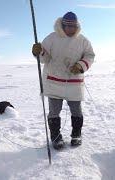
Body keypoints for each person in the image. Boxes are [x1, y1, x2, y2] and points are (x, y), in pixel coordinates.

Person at [31, 12, 95, 149]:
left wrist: (80, 65)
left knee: (76, 111)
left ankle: (76, 135)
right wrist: (39, 52)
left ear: (77, 26)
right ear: (63, 25)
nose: (70, 29)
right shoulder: (51, 38)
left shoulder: (83, 40)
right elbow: (45, 59)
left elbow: (90, 56)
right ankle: (55, 137)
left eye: (73, 26)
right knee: (54, 111)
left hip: (74, 82)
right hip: (54, 81)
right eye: (68, 26)